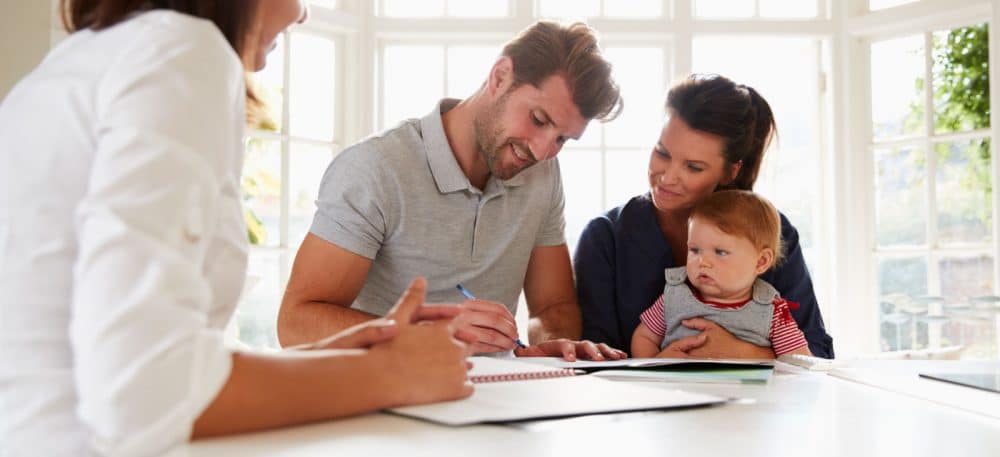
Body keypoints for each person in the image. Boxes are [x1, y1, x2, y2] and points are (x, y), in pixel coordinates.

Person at [0, 1, 473, 455]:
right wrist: (390, 375)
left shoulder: (78, 61)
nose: (302, 11)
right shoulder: (181, 50)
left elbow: (107, 360)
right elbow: (142, 393)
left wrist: (332, 359)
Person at [277, 21, 627, 361]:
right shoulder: (376, 168)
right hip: (381, 397)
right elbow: (296, 323)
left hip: (493, 399)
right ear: (500, 76)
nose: (542, 150)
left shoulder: (543, 175)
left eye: (562, 139)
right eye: (538, 119)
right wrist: (427, 334)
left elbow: (553, 306)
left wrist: (550, 345)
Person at [575, 73, 834, 359]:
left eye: (694, 167)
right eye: (662, 153)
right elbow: (595, 361)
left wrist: (743, 352)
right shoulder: (606, 238)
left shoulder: (771, 233)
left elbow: (817, 356)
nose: (668, 177)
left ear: (730, 171)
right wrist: (657, 366)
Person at [631, 190, 812, 358]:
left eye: (720, 252)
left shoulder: (772, 311)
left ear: (761, 261)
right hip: (678, 389)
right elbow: (644, 337)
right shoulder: (675, 295)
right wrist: (656, 364)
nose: (703, 262)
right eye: (695, 250)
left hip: (745, 392)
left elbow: (799, 361)